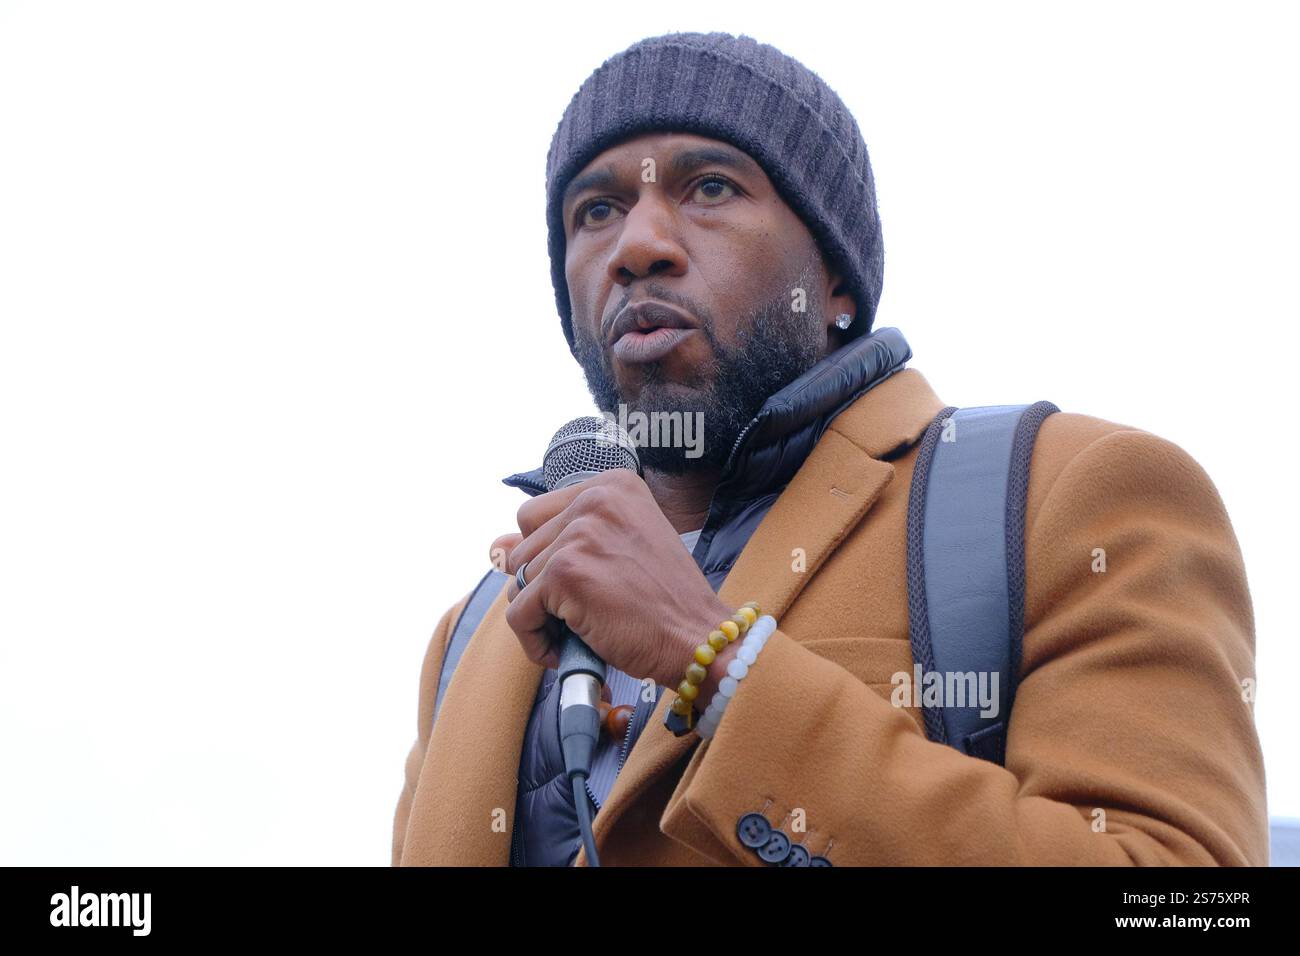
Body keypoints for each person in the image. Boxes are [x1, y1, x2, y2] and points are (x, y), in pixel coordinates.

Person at [392, 31, 1267, 866]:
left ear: (837, 281)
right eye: (595, 210)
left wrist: (719, 662)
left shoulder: (1068, 498)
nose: (638, 247)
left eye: (710, 188)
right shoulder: (470, 637)